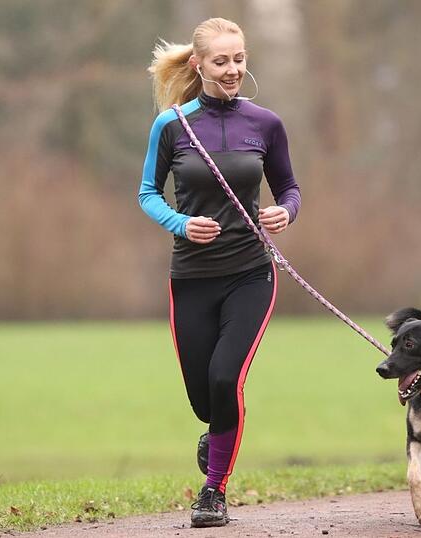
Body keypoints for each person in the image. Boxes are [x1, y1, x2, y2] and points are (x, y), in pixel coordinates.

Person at [138, 17, 302, 528]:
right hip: (190, 276)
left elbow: (289, 189)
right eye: (221, 61)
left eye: (239, 59)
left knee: (225, 378)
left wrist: (285, 213)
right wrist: (181, 223)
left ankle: (214, 492)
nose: (232, 70)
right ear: (198, 64)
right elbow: (147, 193)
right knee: (202, 397)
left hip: (251, 273)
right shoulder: (172, 125)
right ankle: (217, 436)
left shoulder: (267, 124)